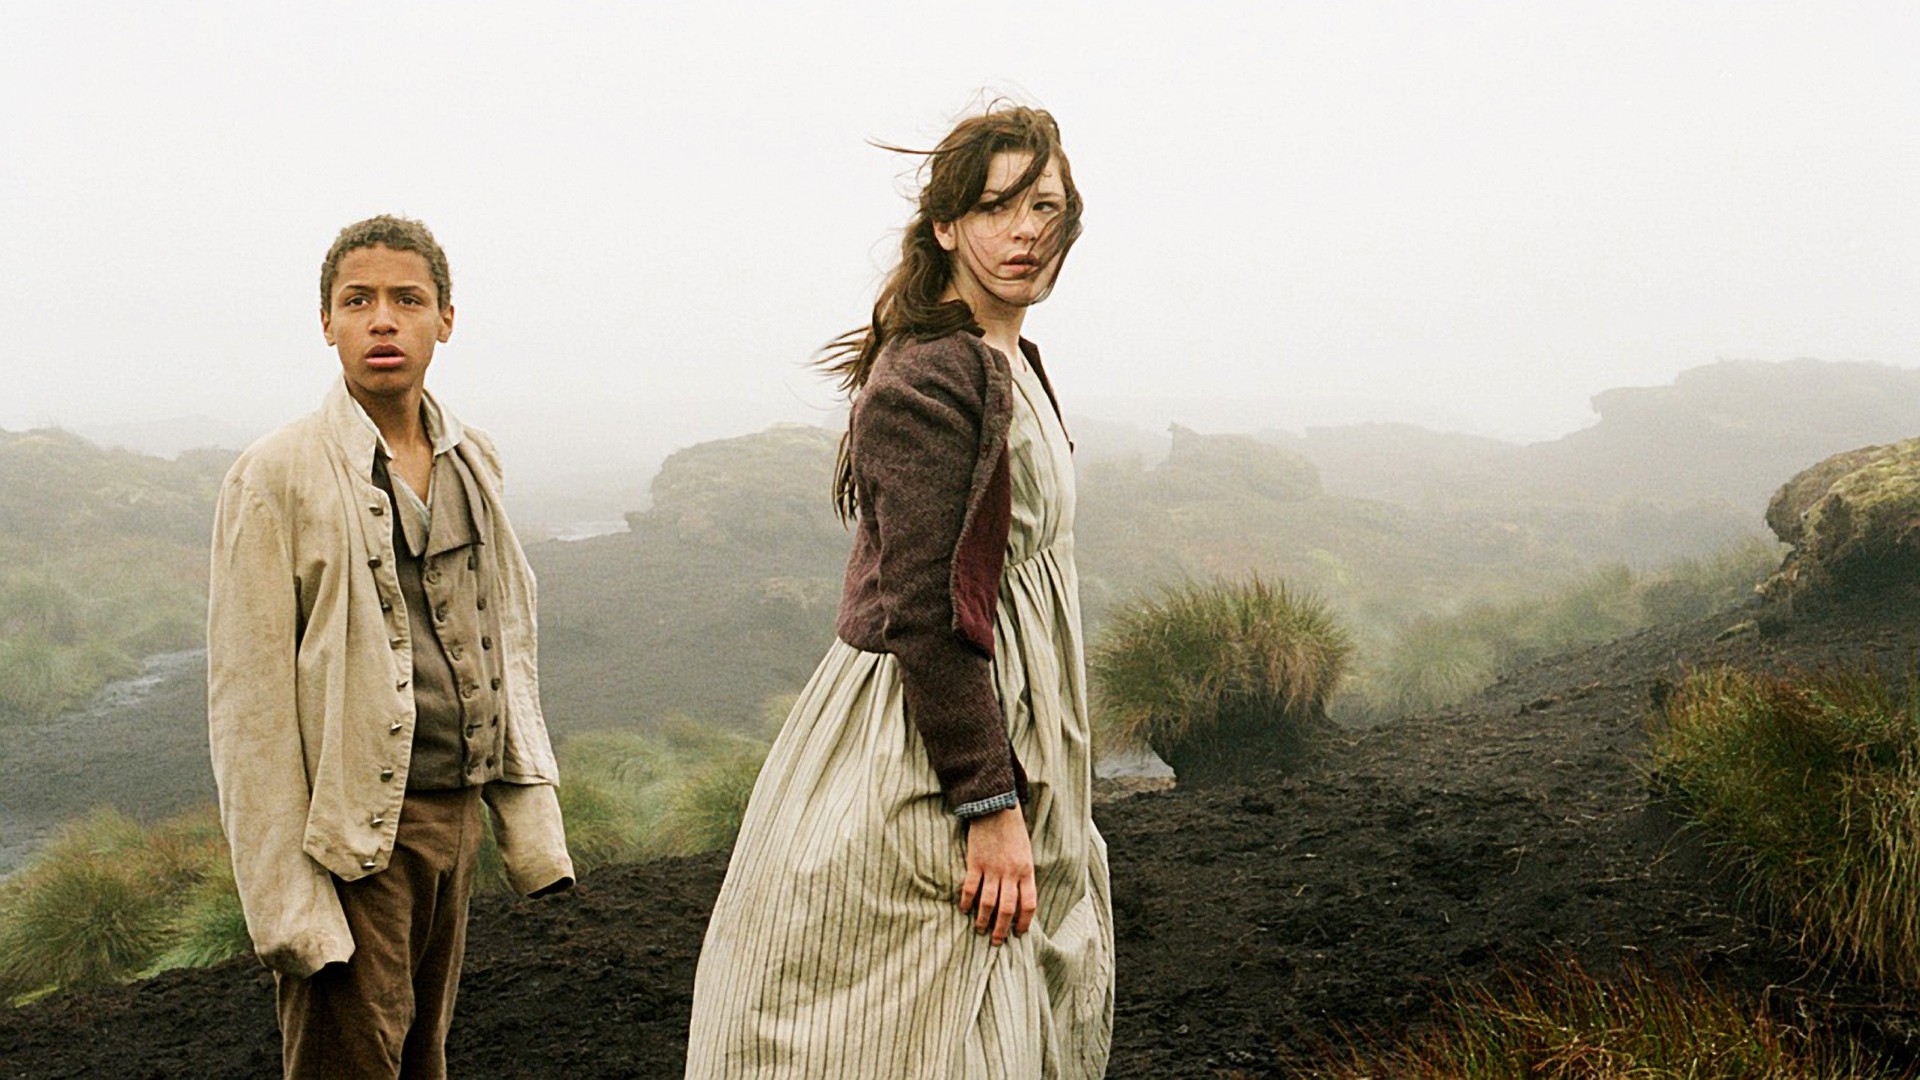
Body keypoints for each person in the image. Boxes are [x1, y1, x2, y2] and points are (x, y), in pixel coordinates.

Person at [686, 103, 1114, 1078]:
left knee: (1009, 994)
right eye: (995, 206)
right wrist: (988, 802)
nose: (1024, 231)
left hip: (1019, 720)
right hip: (926, 743)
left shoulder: (1011, 360)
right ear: (946, 227)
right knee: (917, 1017)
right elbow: (922, 613)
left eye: (1044, 205)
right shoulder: (928, 375)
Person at [207, 215, 574, 1079]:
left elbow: (505, 639)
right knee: (348, 1062)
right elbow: (246, 703)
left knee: (422, 1059)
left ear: (445, 319)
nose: (383, 320)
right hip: (351, 839)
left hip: (455, 824)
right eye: (357, 300)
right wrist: (286, 898)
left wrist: (521, 806)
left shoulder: (471, 458)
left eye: (407, 300)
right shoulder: (275, 473)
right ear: (325, 321)